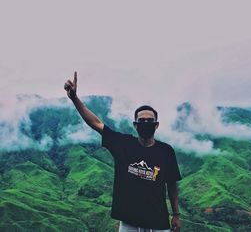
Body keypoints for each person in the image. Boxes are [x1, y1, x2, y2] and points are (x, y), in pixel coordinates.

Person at [64, 71, 182, 232]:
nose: (145, 123)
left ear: (156, 125)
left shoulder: (166, 151)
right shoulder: (123, 144)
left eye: (149, 121)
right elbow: (96, 123)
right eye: (141, 121)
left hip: (158, 222)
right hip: (129, 223)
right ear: (135, 124)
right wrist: (74, 98)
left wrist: (176, 214)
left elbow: (172, 184)